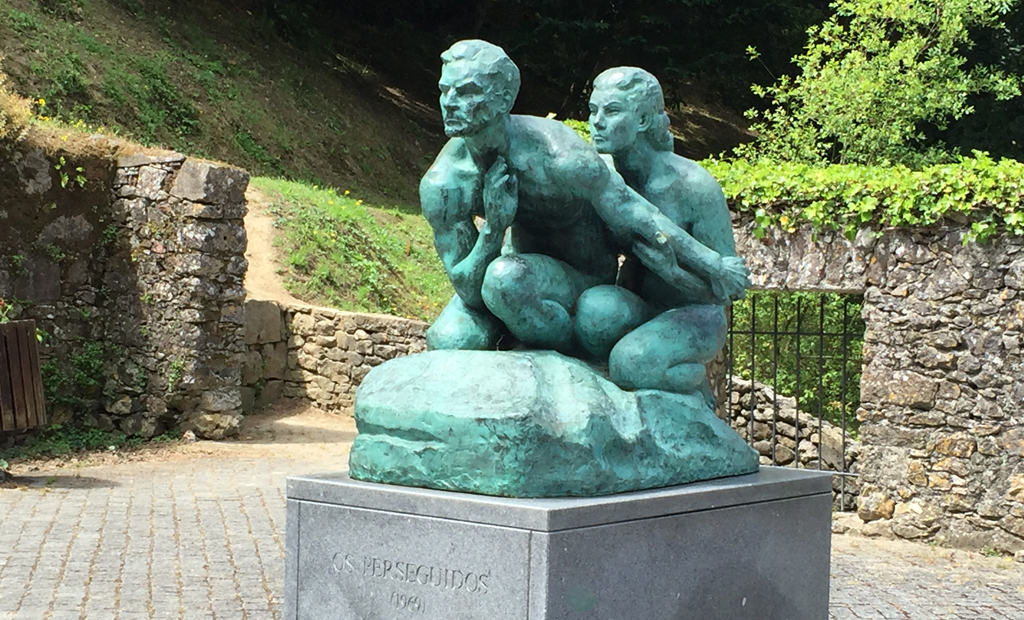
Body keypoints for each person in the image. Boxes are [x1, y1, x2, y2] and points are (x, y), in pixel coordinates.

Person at [420, 40, 749, 354]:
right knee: (449, 340)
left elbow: (636, 212)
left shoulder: (559, 156)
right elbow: (468, 290)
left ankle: (564, 355)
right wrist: (494, 228)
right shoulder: (444, 183)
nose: (449, 102)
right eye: (445, 90)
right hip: (504, 275)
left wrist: (714, 264)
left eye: (466, 92)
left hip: (578, 276)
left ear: (505, 99)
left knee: (505, 281)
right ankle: (521, 328)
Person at [575, 67, 746, 400]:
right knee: (592, 312)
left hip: (695, 314)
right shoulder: (603, 179)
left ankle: (694, 384)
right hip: (637, 304)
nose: (597, 122)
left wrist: (673, 272)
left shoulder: (693, 186)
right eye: (593, 110)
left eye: (611, 111)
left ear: (642, 120)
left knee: (630, 364)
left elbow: (728, 290)